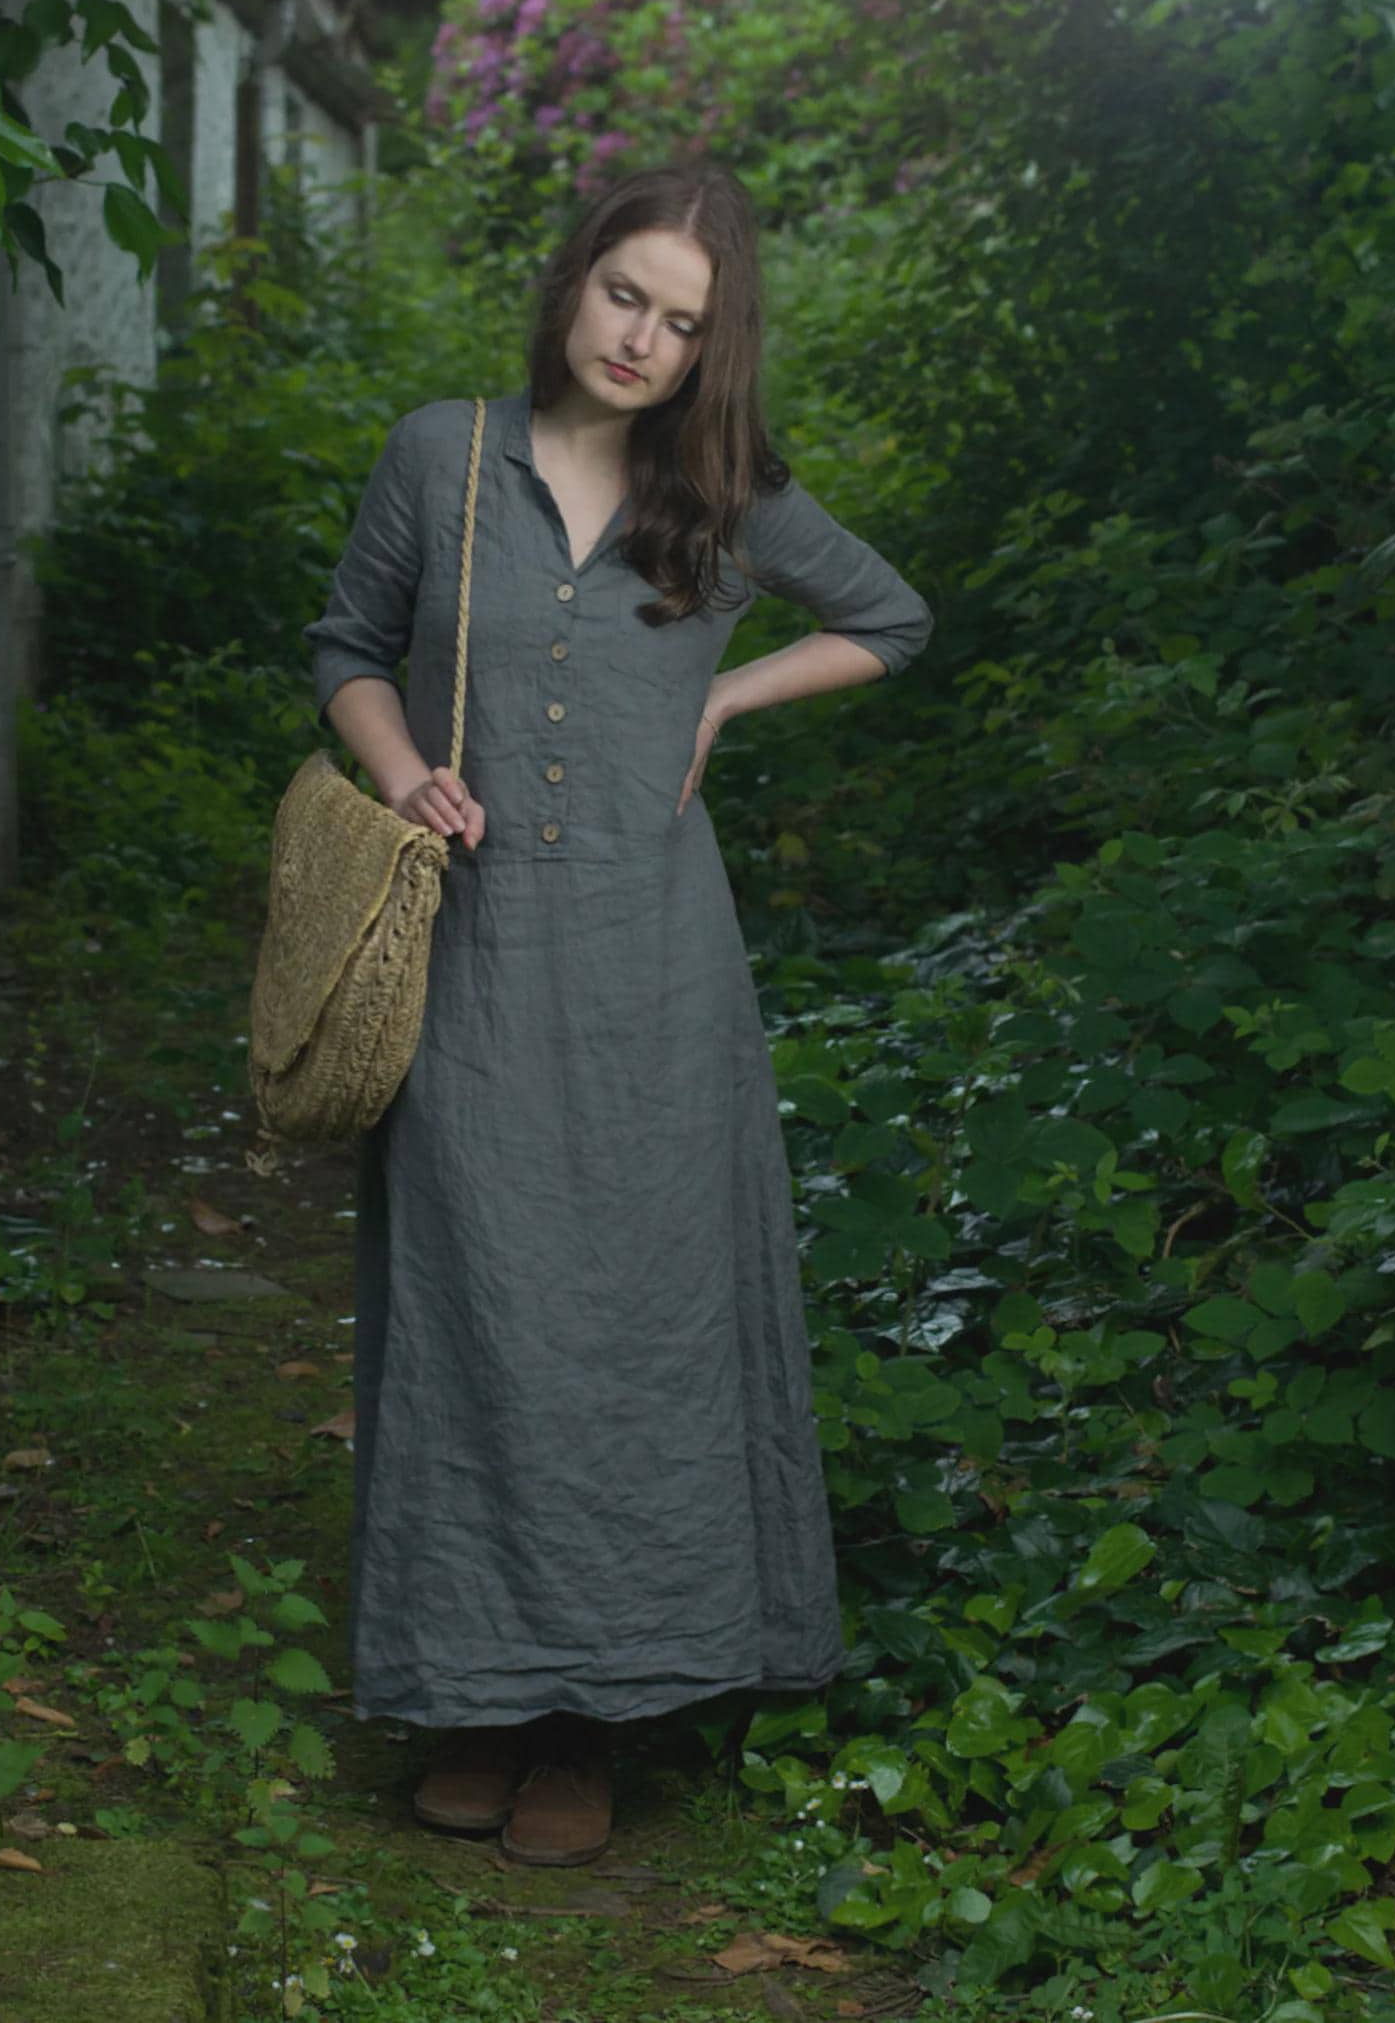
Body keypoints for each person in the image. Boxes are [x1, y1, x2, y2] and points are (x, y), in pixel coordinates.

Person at [302, 160, 933, 1868]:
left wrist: (726, 696)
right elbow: (347, 648)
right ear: (573, 281)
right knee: (476, 1312)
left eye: (683, 320)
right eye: (625, 294)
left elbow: (890, 617)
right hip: (474, 969)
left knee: (635, 1333)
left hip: (656, 980)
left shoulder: (725, 497)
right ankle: (481, 1700)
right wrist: (405, 770)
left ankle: (596, 1725)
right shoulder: (444, 457)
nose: (643, 338)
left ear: (716, 347)